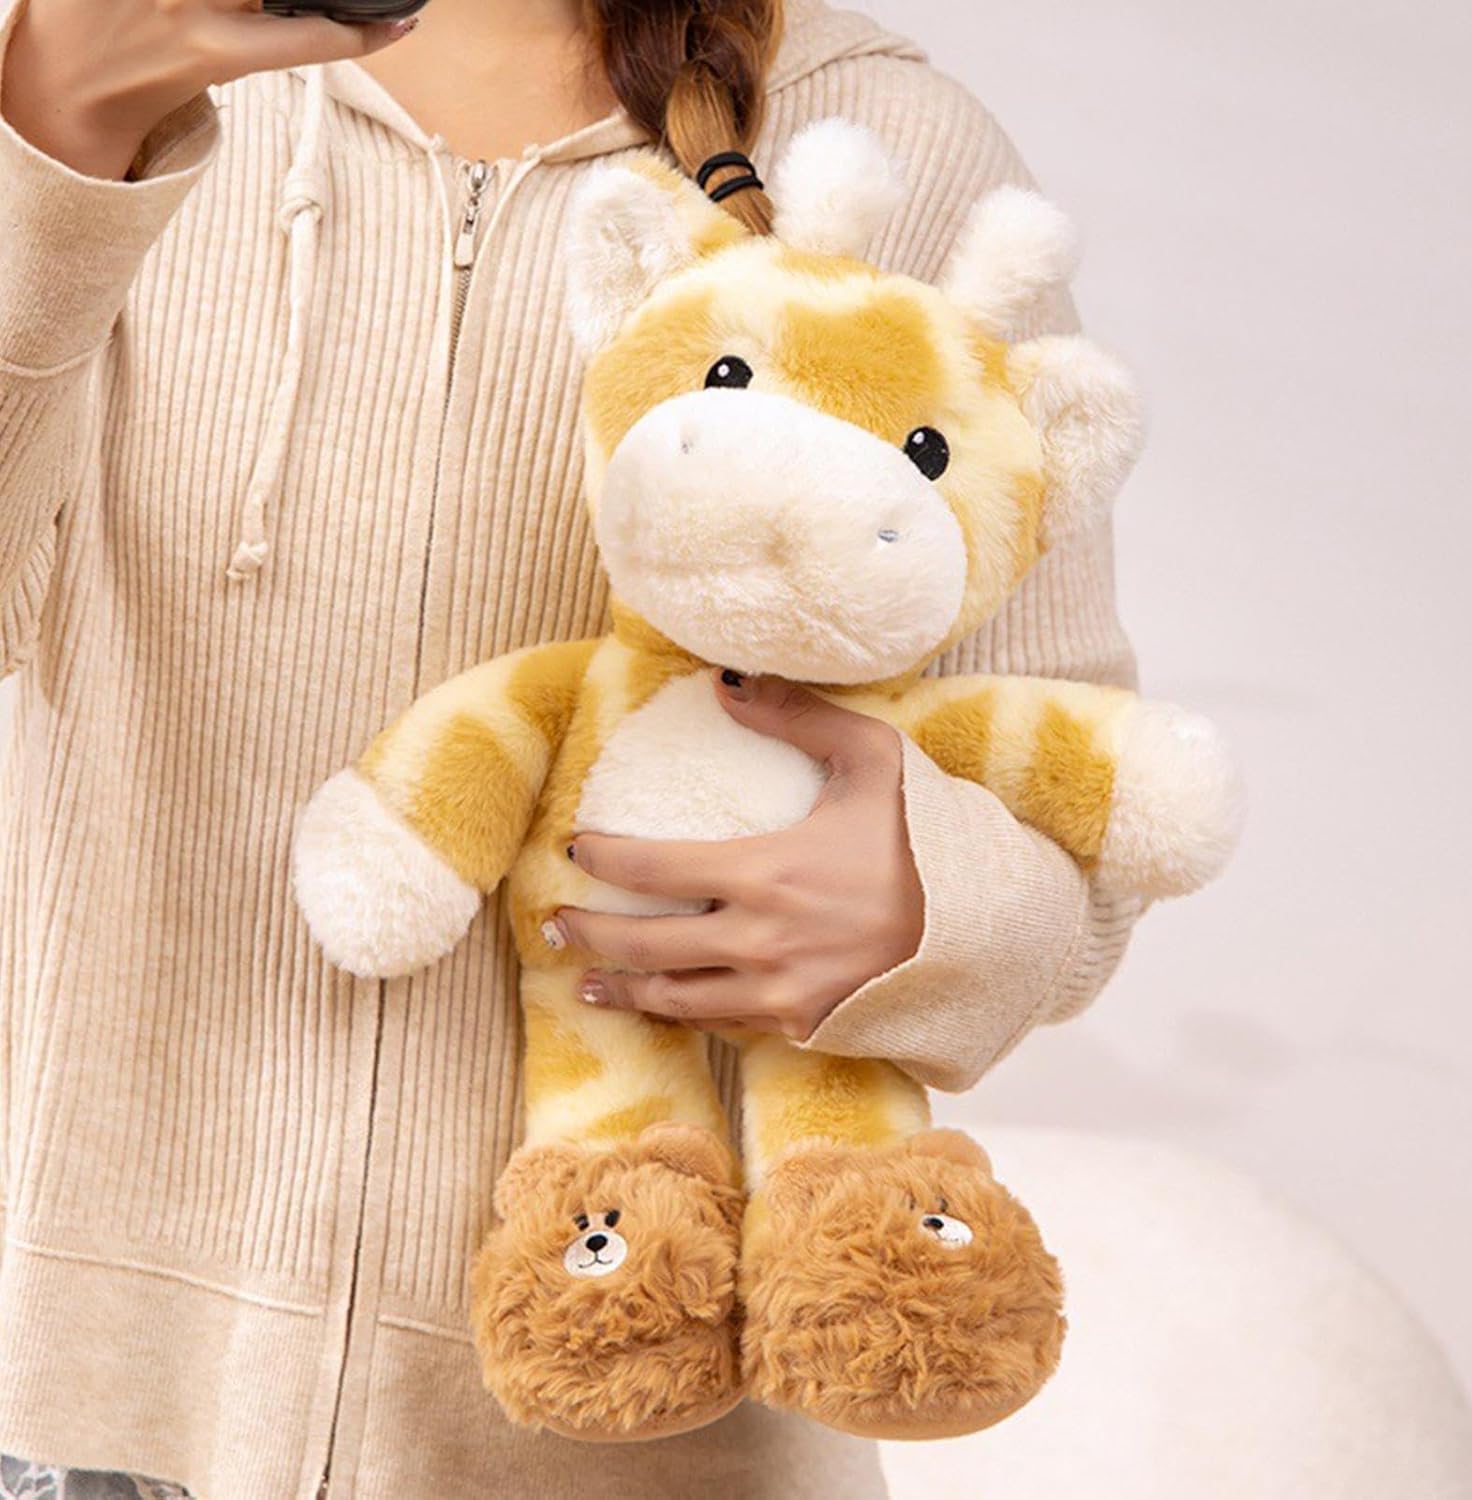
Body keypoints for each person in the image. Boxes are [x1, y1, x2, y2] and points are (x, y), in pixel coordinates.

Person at [0, 0, 1143, 1494]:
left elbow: (1083, 826)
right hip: (80, 1392)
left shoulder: (887, 140)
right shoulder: (98, 57)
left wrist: (933, 907)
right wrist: (57, 141)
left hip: (642, 1409)